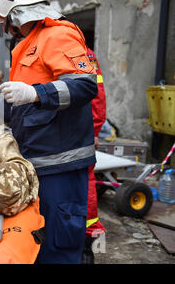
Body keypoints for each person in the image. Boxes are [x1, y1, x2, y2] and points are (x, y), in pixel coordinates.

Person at [0, 0, 98, 264]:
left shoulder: (58, 35)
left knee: (60, 242)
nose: (7, 28)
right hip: (37, 162)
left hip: (62, 163)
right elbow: (15, 101)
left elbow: (85, 86)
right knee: (38, 240)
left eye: (5, 20)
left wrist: (36, 92)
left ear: (16, 14)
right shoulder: (26, 46)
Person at [82, 47, 107, 264]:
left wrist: (95, 129)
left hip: (80, 131)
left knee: (86, 183)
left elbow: (96, 92)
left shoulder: (83, 53)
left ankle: (90, 243)